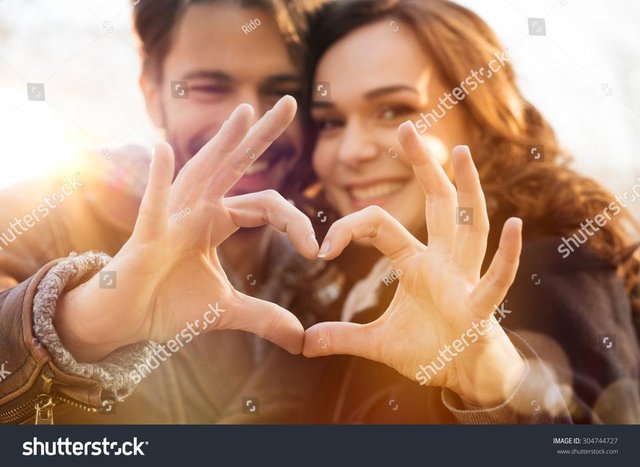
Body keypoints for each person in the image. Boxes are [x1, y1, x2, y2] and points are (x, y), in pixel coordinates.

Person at [262, 0, 640, 423]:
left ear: (481, 116)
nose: (352, 151)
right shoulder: (346, 282)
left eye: (394, 111)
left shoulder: (553, 263)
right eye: (331, 121)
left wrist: (497, 391)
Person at [0, 0, 319, 424]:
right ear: (152, 92)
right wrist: (76, 326)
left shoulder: (333, 259)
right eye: (210, 87)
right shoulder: (44, 209)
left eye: (281, 92)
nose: (250, 121)